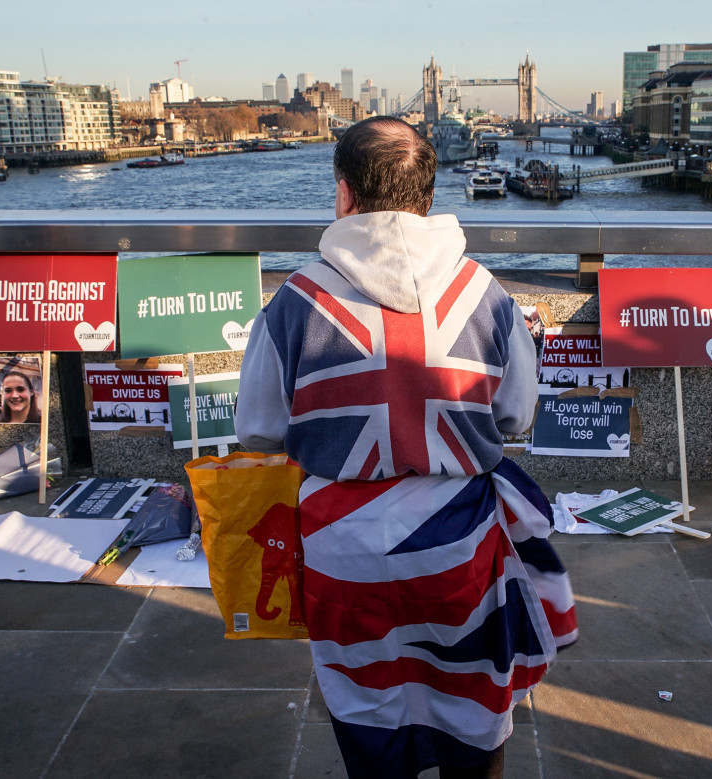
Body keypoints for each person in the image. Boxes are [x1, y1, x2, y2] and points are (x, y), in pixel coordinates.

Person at [235, 116, 577, 779]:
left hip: (340, 545)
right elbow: (515, 417)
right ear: (428, 196)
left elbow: (259, 429)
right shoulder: (485, 293)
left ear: (343, 196)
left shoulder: (294, 301)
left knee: (364, 707)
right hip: (457, 544)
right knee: (475, 704)